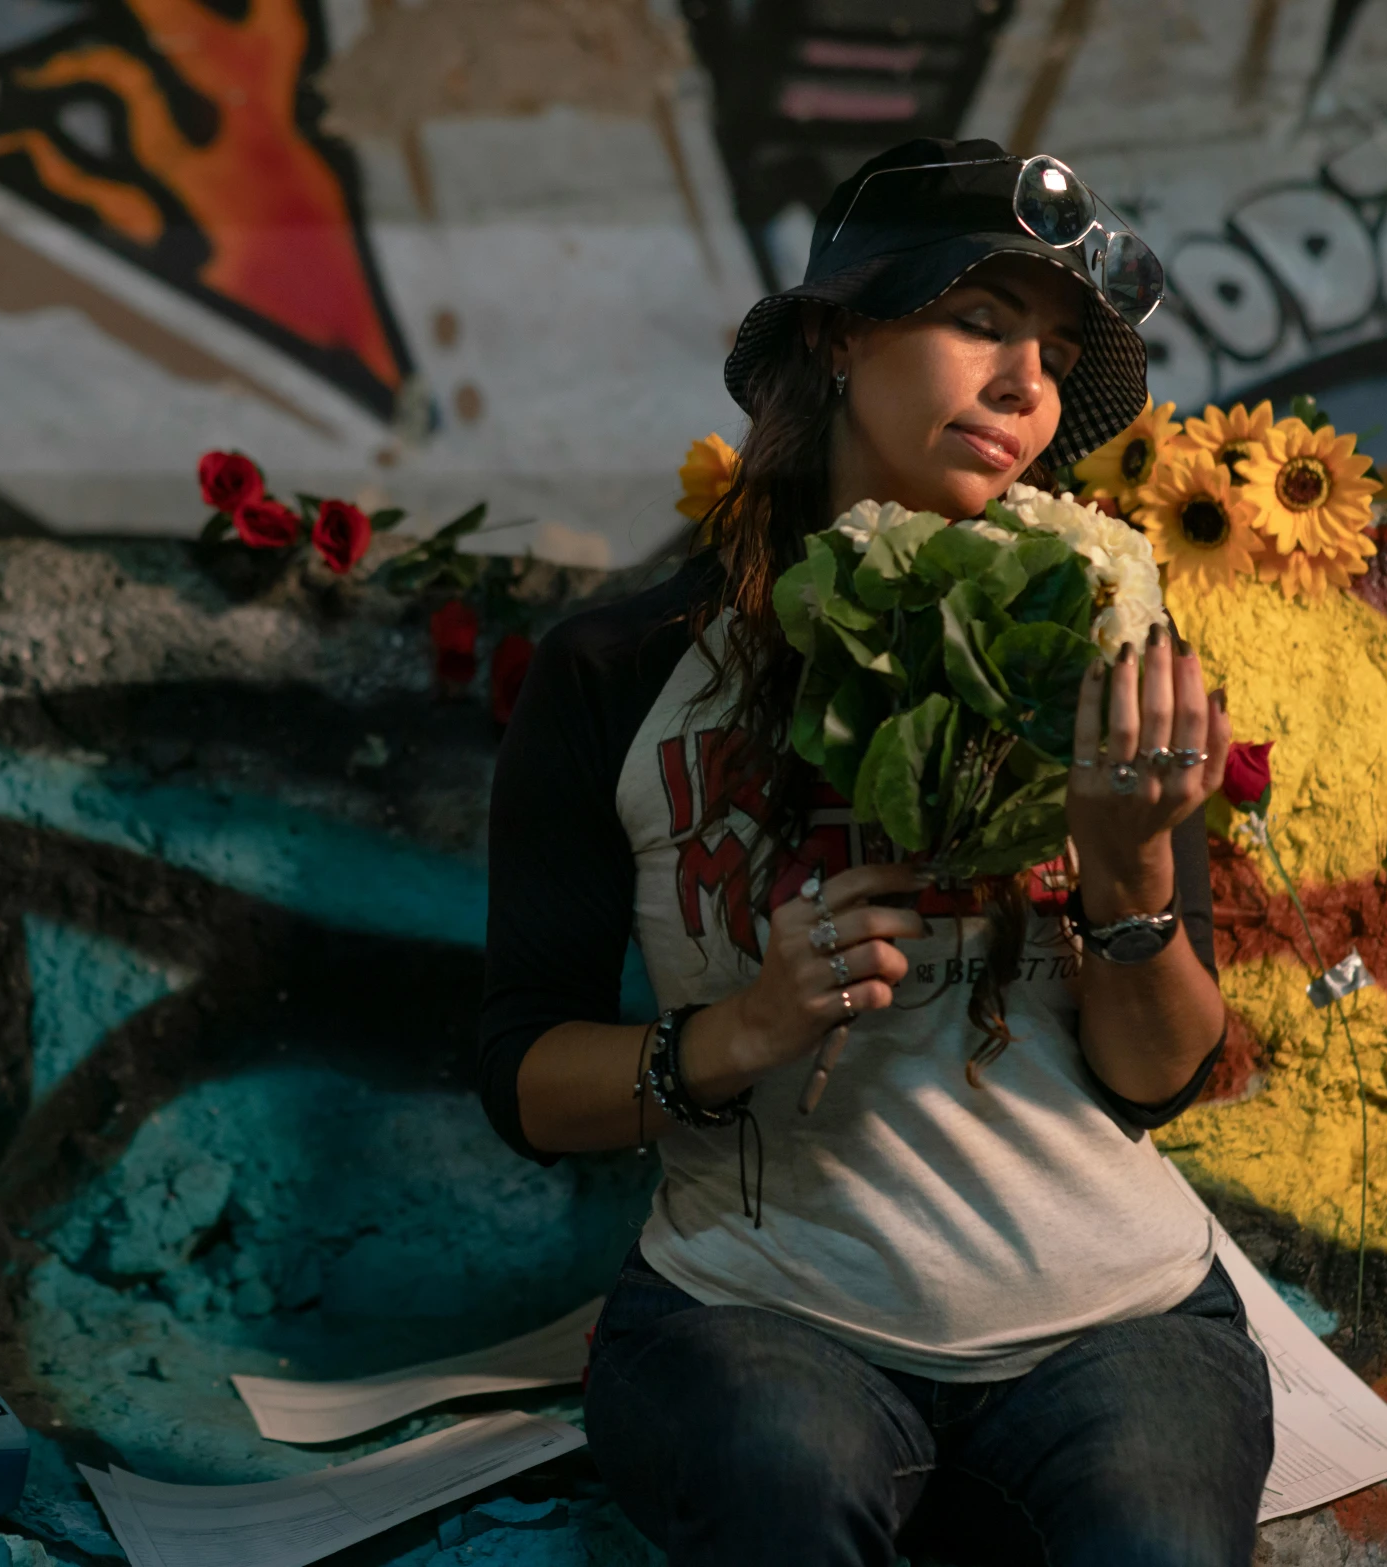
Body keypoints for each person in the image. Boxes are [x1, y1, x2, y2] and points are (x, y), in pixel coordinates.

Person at [476, 138, 1275, 1566]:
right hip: (759, 1316)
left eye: (1052, 351)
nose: (1026, 387)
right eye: (978, 319)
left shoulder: (1105, 659)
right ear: (840, 335)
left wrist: (1132, 874)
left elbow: (1158, 1080)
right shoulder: (621, 670)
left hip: (1117, 1323)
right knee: (783, 1483)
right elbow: (525, 1077)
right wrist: (733, 1036)